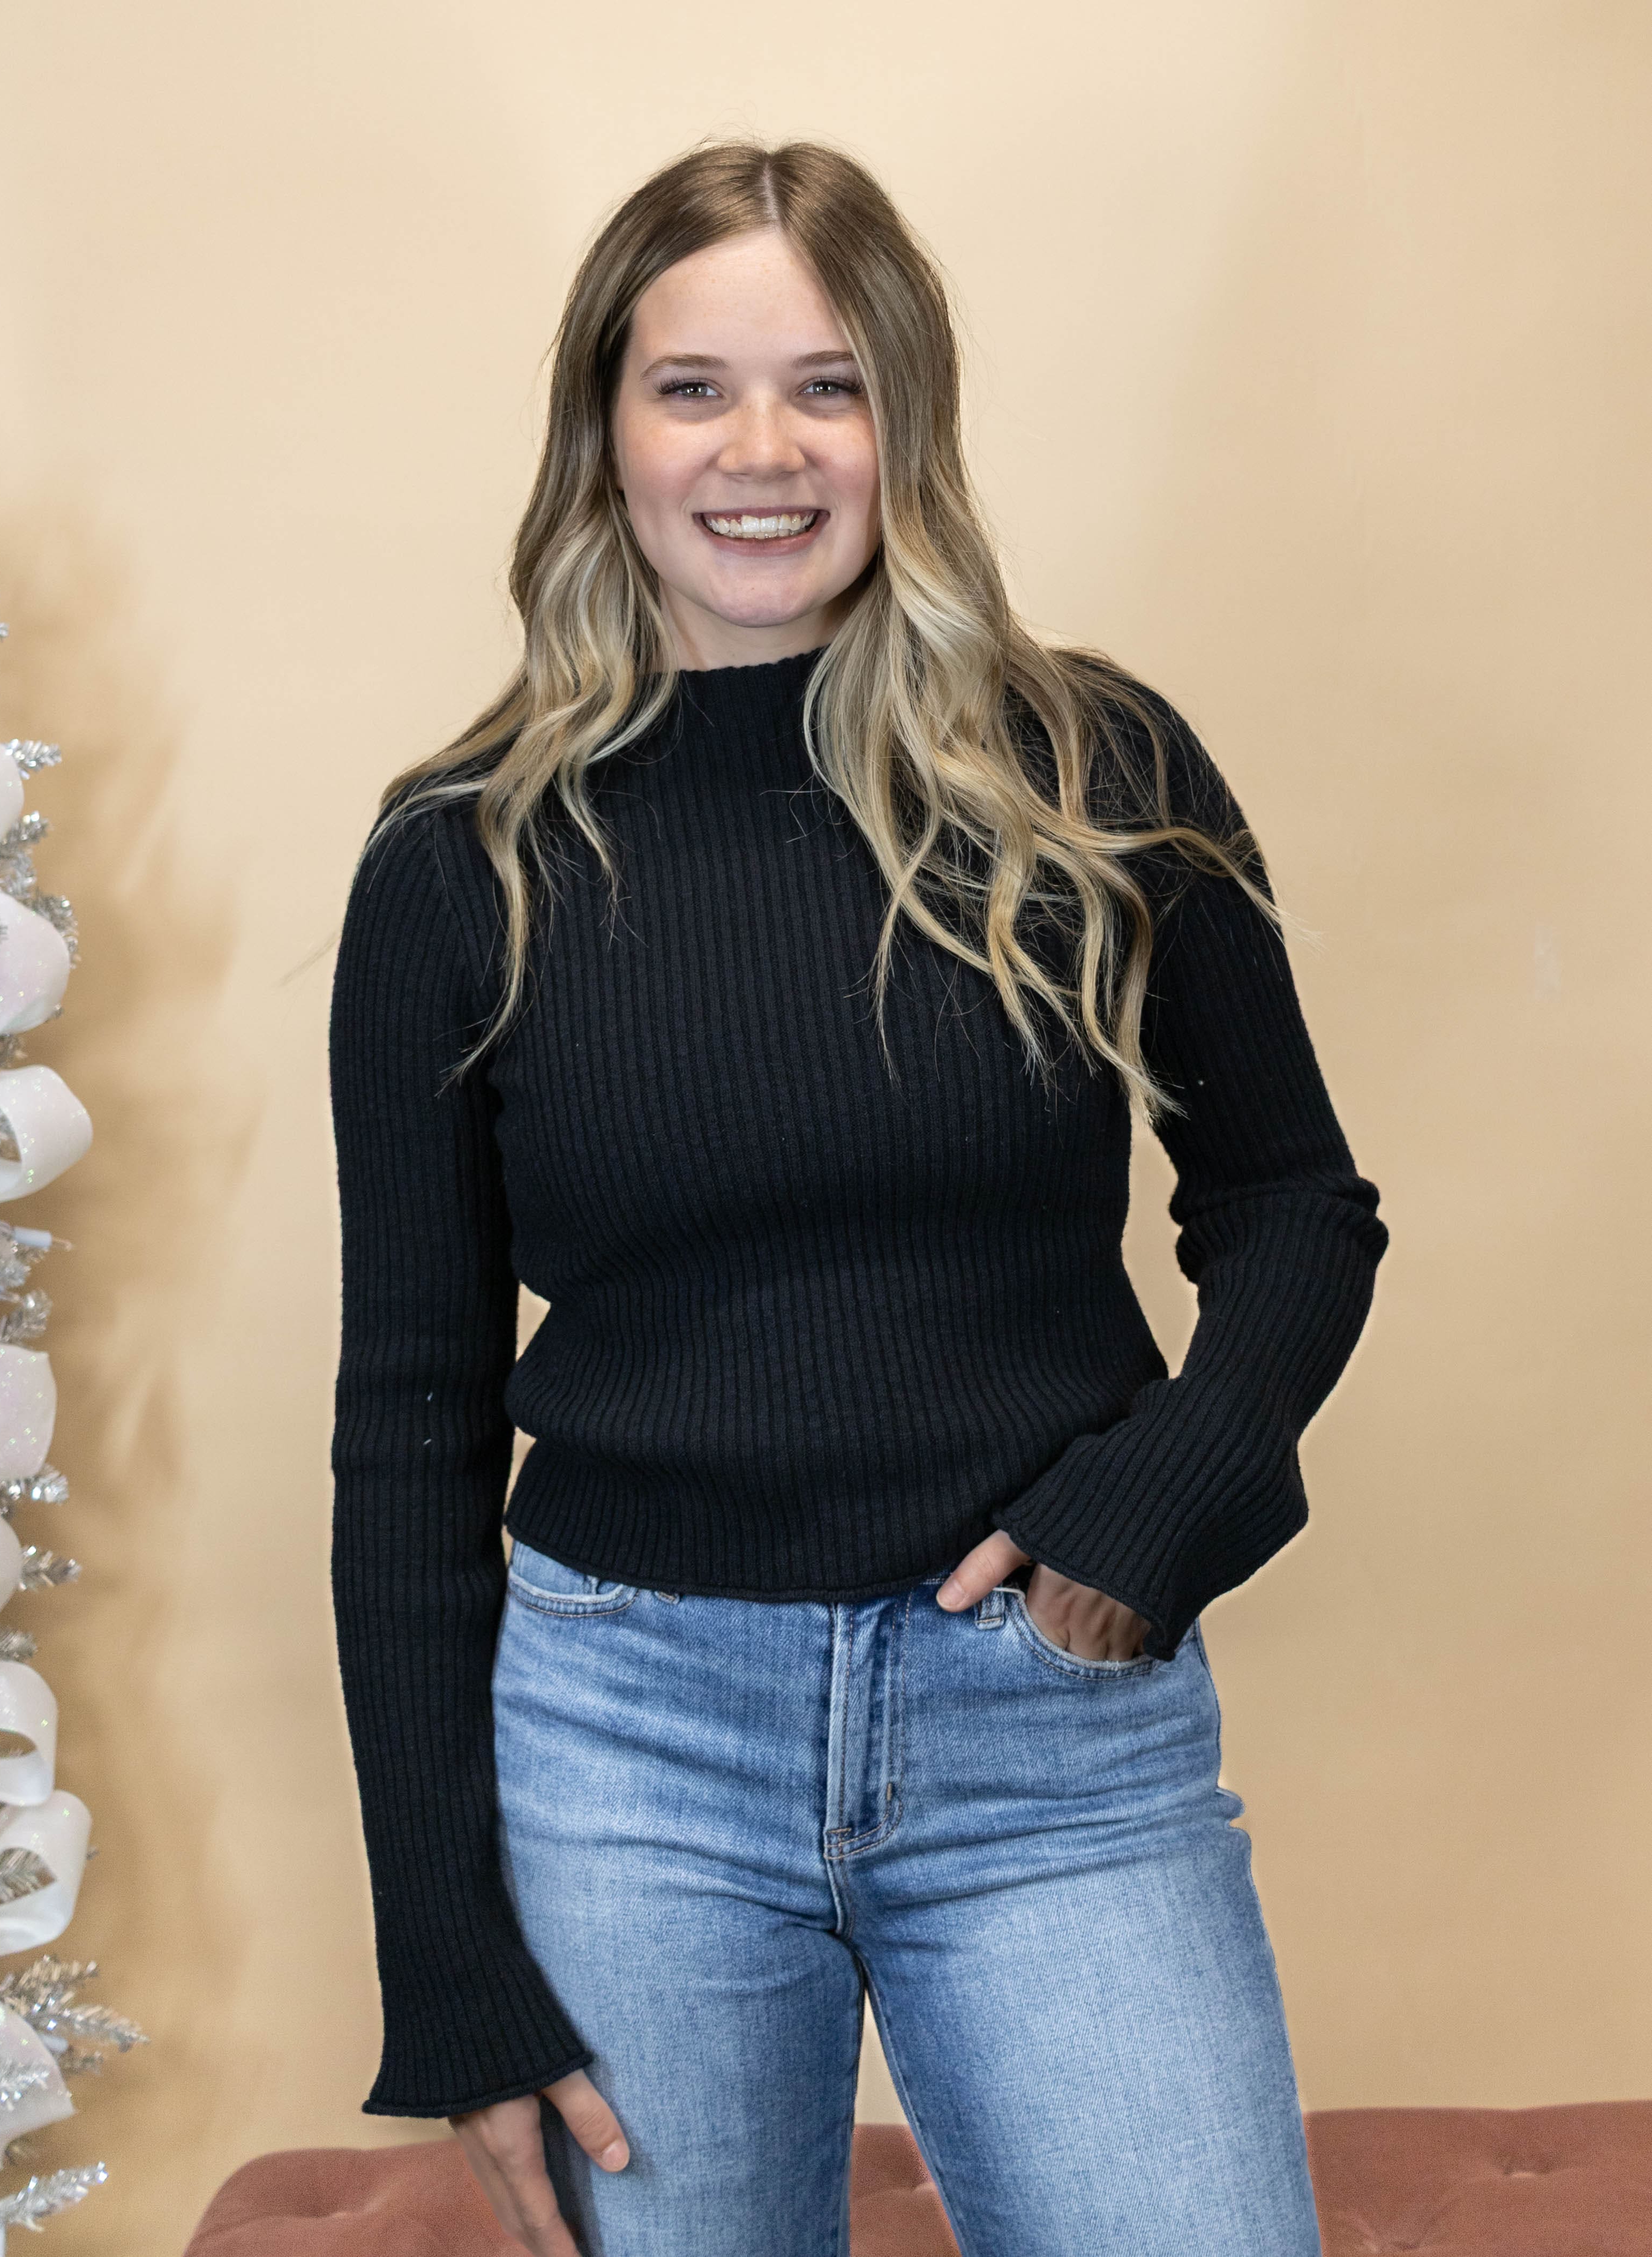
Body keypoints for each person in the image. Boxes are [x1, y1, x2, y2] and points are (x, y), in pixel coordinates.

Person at [327, 139, 1386, 2257]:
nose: (764, 451)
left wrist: (1160, 1494)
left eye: (829, 387)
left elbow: (1292, 1200)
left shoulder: (1091, 770)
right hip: (628, 1752)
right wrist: (447, 1959)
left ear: (910, 421)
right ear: (603, 433)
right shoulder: (462, 860)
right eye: (692, 388)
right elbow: (413, 1419)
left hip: (1049, 1732)